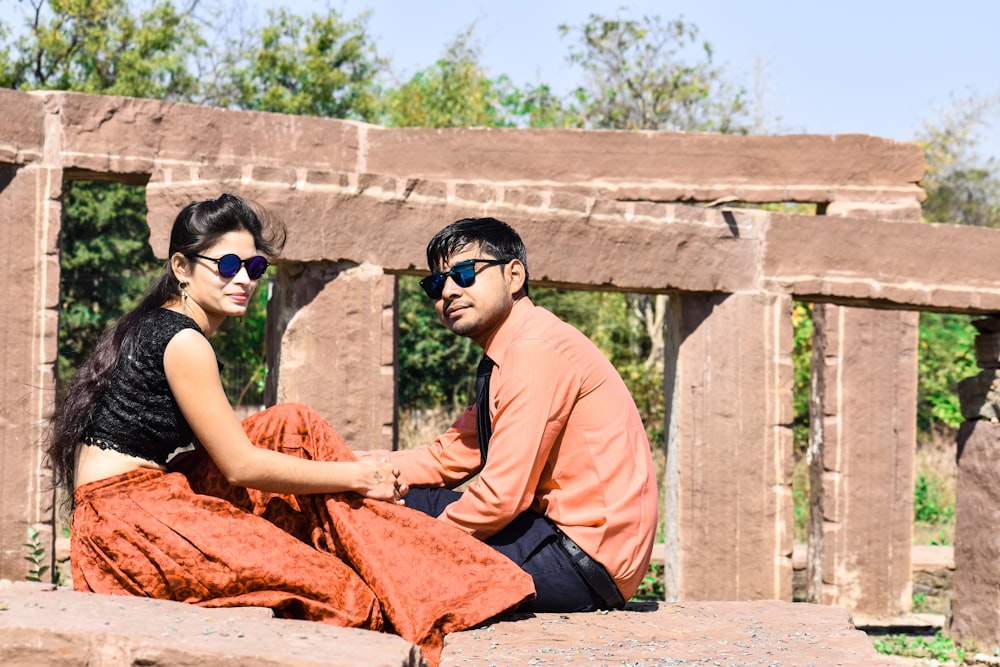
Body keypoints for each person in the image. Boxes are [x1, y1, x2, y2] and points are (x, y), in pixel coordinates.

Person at [46, 195, 533, 666]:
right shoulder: (182, 340)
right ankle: (419, 573)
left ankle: (404, 565)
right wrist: (359, 476)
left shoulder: (157, 325)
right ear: (180, 267)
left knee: (291, 423)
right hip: (134, 524)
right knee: (344, 595)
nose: (244, 279)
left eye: (254, 269)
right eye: (228, 265)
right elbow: (240, 466)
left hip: (135, 505)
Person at [364, 217, 658, 612]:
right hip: (567, 548)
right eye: (436, 284)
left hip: (579, 561)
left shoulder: (535, 349)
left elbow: (502, 497)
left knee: (385, 518)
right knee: (386, 495)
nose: (449, 291)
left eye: (465, 274)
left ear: (514, 275)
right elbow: (447, 457)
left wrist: (427, 545)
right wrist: (349, 467)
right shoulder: (511, 350)